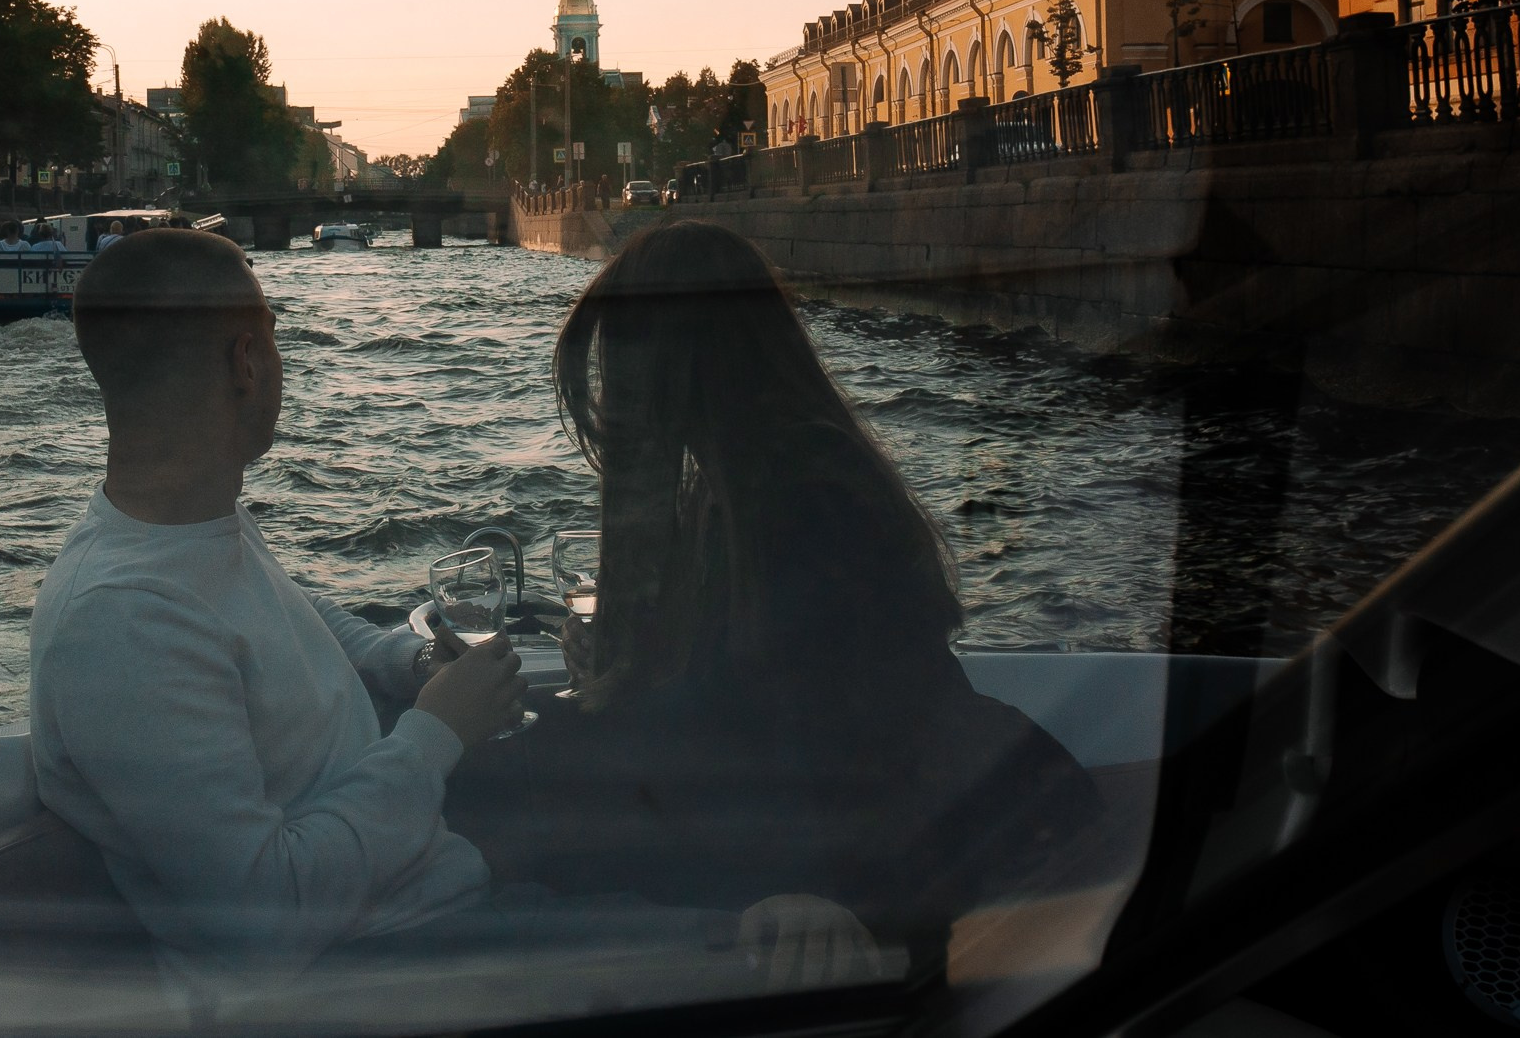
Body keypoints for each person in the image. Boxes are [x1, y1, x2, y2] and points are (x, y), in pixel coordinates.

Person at [30, 230, 873, 1006]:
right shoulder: (121, 625)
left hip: (420, 883)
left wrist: (405, 663)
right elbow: (262, 920)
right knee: (758, 957)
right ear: (246, 360)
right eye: (276, 337)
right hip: (379, 969)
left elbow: (295, 613)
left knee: (632, 796)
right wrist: (433, 734)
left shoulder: (187, 535)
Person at [446, 220, 1100, 966]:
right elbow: (741, 700)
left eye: (618, 365)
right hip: (803, 807)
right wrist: (628, 662)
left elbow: (856, 736)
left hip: (897, 849)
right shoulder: (744, 483)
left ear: (682, 363)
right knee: (507, 779)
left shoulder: (812, 504)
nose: (607, 394)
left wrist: (826, 892)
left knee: (503, 799)